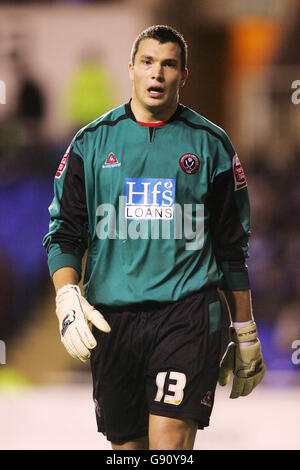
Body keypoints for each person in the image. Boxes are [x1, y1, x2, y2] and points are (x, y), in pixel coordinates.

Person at [43, 25, 266, 450]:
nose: (157, 74)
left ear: (184, 75)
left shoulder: (211, 145)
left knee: (168, 448)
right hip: (113, 320)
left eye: (168, 65)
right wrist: (67, 297)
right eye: (147, 63)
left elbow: (232, 250)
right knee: (127, 452)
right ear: (131, 69)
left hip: (187, 316)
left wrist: (245, 329)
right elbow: (64, 234)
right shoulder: (90, 144)